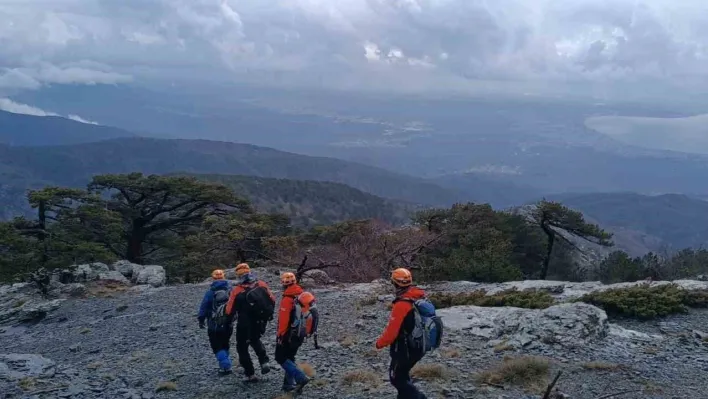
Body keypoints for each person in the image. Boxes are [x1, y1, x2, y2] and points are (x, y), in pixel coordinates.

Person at [375, 268, 429, 399]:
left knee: (397, 378)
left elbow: (391, 333)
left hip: (405, 349)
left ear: (394, 283)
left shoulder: (402, 304)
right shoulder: (418, 296)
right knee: (403, 375)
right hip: (419, 345)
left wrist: (379, 343)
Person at [225, 263, 276, 382]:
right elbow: (272, 300)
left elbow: (229, 310)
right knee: (255, 340)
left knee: (242, 347)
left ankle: (250, 374)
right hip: (260, 321)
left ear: (238, 275)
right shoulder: (261, 284)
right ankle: (264, 361)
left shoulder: (237, 290)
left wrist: (228, 322)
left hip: (244, 324)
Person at [275, 272, 311, 393]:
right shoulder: (301, 295)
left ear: (283, 283)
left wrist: (280, 335)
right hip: (300, 333)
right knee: (290, 356)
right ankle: (288, 385)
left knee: (279, 357)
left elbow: (284, 321)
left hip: (289, 334)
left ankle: (300, 378)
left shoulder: (287, 299)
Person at [197, 269, 235, 375]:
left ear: (213, 278)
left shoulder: (211, 292)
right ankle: (225, 366)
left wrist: (201, 319)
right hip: (228, 323)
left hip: (214, 324)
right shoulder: (230, 290)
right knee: (225, 343)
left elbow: (204, 306)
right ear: (223, 277)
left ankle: (226, 366)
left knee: (216, 346)